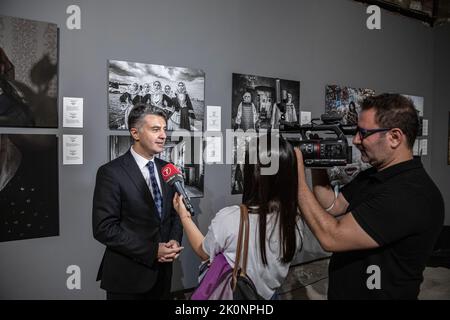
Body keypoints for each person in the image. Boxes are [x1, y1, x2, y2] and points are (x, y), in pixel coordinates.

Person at [295, 93, 444, 299]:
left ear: (394, 137)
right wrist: (316, 161)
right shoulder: (374, 174)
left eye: (363, 133)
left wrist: (296, 180)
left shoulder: (409, 194)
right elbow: (334, 206)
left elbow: (331, 237)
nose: (356, 140)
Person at [173, 137, 303, 300]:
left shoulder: (231, 219)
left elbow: (204, 252)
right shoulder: (295, 221)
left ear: (252, 173)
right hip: (269, 296)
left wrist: (184, 216)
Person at [92, 103, 183, 300]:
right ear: (135, 133)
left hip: (163, 276)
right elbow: (104, 228)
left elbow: (174, 214)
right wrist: (153, 251)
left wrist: (174, 240)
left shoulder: (168, 168)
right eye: (155, 129)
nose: (163, 135)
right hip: (127, 279)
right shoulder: (111, 173)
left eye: (165, 129)